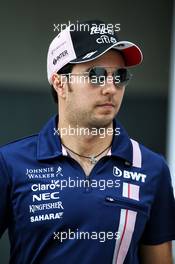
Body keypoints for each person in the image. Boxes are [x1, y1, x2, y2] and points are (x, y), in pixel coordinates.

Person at [0, 20, 175, 264]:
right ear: (60, 83)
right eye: (97, 75)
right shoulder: (10, 163)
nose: (111, 88)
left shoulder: (151, 169)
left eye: (120, 76)